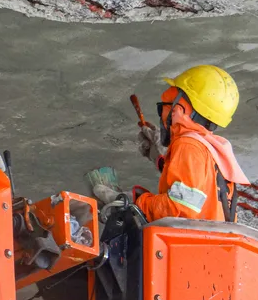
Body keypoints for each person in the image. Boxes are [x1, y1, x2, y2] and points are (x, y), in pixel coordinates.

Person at [93, 65, 249, 222]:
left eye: (164, 108)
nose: (162, 115)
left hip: (186, 245)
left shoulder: (189, 146)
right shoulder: (214, 152)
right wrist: (161, 159)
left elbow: (179, 208)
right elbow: (195, 188)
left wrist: (136, 202)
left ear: (178, 109)